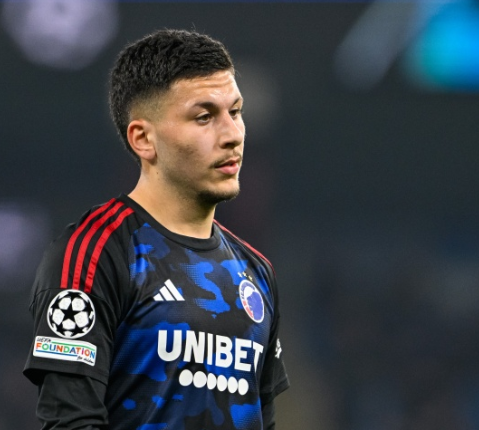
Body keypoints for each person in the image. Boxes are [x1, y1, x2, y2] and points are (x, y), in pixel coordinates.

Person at [23, 29, 289, 430]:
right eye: (204, 117)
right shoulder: (95, 253)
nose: (232, 135)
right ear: (144, 139)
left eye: (235, 113)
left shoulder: (257, 273)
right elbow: (71, 421)